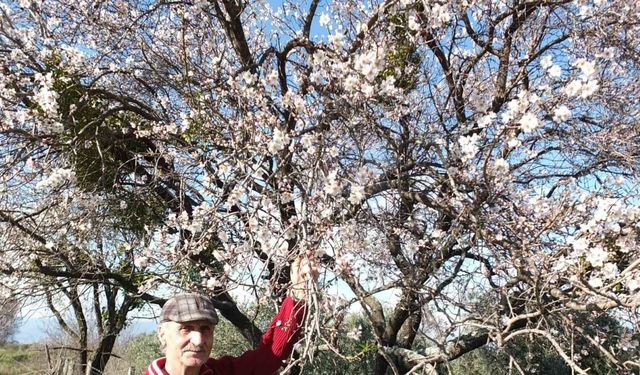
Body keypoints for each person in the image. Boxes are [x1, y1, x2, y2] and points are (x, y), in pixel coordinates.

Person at [144, 256, 318, 375]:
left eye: (206, 329)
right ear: (162, 334)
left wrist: (299, 293)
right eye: (185, 329)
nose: (198, 340)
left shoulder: (221, 371)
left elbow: (269, 355)